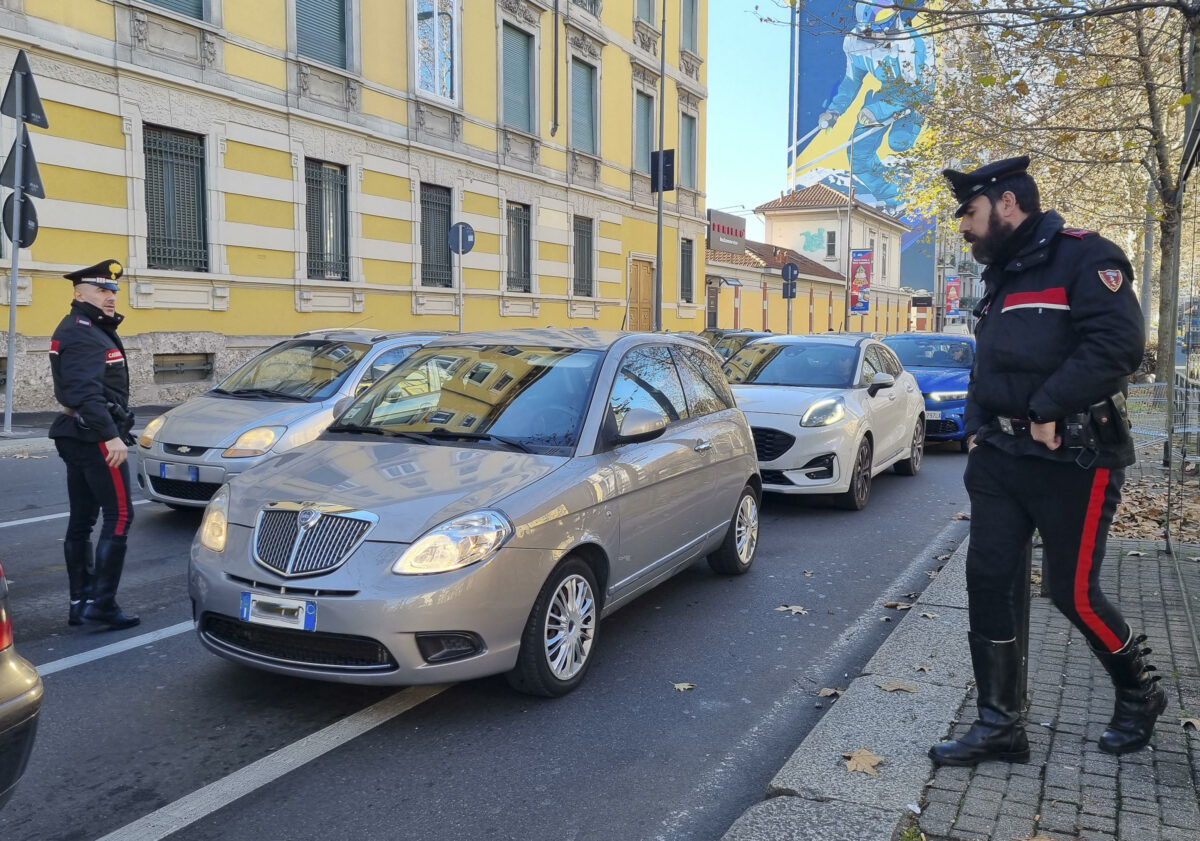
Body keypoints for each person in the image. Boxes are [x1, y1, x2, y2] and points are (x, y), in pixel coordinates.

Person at [928, 157, 1164, 766]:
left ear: (1008, 205)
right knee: (987, 582)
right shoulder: (1001, 276)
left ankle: (1139, 693)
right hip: (1002, 459)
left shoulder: (1086, 257)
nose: (965, 228)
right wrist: (977, 427)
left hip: (1075, 458)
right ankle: (1000, 725)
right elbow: (988, 362)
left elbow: (1119, 346)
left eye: (971, 215)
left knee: (1072, 592)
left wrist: (1046, 407)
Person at [49, 259, 139, 630]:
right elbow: (86, 392)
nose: (110, 297)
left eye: (113, 290)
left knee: (83, 521)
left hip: (79, 433)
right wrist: (111, 436)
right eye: (101, 290)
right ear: (78, 293)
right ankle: (101, 604)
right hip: (95, 435)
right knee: (120, 516)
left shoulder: (83, 327)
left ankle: (80, 603)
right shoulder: (84, 331)